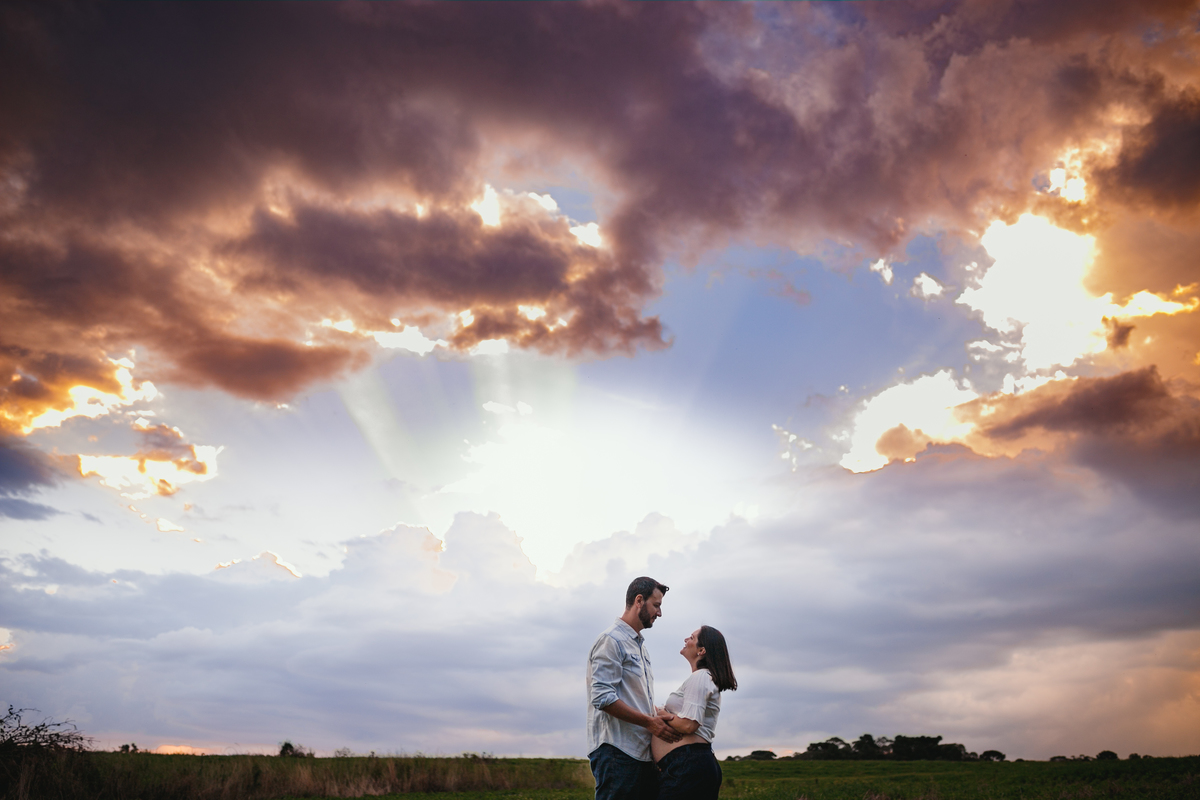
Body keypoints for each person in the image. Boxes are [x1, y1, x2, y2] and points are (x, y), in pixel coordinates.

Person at [587, 577, 681, 800]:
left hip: (642, 754)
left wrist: (660, 715)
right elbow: (602, 697)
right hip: (617, 752)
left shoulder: (640, 647)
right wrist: (649, 722)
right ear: (639, 600)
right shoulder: (611, 640)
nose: (659, 613)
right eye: (656, 605)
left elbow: (637, 699)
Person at [650, 626, 737, 800]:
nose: (686, 640)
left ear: (701, 650)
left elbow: (689, 724)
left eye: (691, 637)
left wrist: (663, 715)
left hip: (688, 766)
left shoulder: (701, 677)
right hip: (685, 766)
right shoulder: (702, 678)